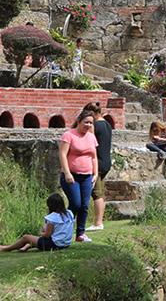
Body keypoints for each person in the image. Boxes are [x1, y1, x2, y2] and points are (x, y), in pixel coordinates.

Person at [59, 109, 98, 242]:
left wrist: (95, 174)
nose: (88, 125)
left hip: (87, 176)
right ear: (79, 121)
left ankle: (80, 233)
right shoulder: (68, 135)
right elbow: (63, 154)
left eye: (91, 123)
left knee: (84, 205)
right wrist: (67, 172)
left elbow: (94, 157)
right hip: (71, 176)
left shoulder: (91, 137)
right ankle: (65, 230)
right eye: (86, 122)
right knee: (75, 203)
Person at [0, 193, 74, 252]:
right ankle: (27, 246)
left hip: (54, 245)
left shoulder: (53, 217)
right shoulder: (69, 213)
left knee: (26, 237)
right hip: (66, 243)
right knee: (37, 239)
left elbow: (47, 235)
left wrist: (41, 232)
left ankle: (6, 248)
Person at [86, 102, 112, 231]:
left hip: (97, 163)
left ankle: (98, 222)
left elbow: (90, 143)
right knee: (101, 193)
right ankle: (99, 221)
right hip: (106, 161)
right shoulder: (107, 124)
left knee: (96, 193)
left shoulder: (95, 126)